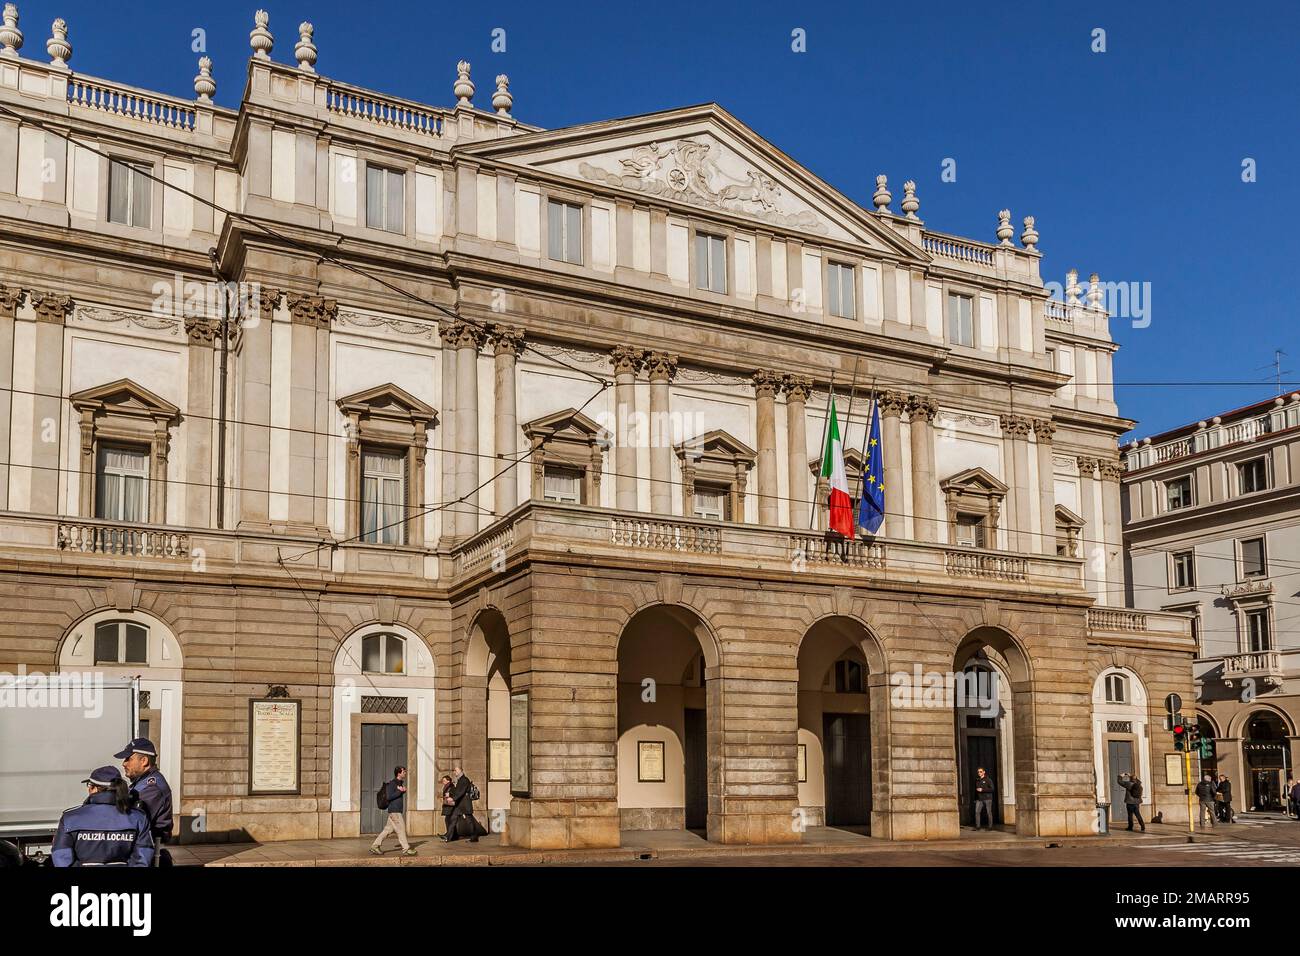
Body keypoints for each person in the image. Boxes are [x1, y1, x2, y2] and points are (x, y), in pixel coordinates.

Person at [52, 766, 153, 867]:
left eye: (89, 786)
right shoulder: (138, 818)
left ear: (94, 788)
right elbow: (142, 858)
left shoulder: (70, 817)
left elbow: (61, 858)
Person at [115, 737, 173, 866]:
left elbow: (134, 820)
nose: (124, 764)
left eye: (128, 759)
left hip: (144, 848)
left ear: (144, 761)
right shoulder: (141, 783)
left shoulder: (152, 787)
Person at [370, 766, 417, 856]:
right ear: (398, 773)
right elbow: (389, 797)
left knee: (387, 830)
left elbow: (396, 795)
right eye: (404, 772)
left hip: (395, 811)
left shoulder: (399, 783)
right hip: (395, 811)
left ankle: (375, 846)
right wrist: (400, 792)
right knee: (401, 829)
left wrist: (402, 791)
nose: (405, 773)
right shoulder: (393, 783)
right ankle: (406, 849)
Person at [443, 765, 484, 843]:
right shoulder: (459, 780)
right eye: (454, 770)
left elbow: (461, 791)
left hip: (465, 804)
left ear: (460, 771)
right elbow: (457, 790)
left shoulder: (464, 780)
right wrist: (450, 794)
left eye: (456, 770)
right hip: (459, 805)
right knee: (453, 819)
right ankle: (447, 836)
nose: (454, 772)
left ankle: (474, 836)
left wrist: (453, 798)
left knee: (469, 821)